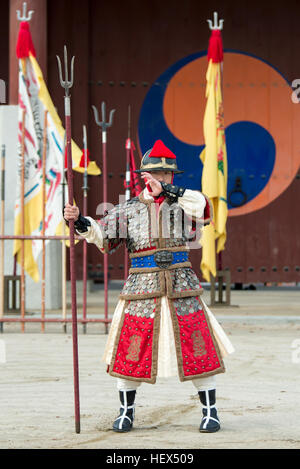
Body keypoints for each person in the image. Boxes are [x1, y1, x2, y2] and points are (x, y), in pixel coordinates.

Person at [64, 139, 234, 434]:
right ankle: (126, 412)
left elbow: (205, 207)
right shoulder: (128, 209)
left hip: (182, 285)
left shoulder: (184, 202)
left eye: (168, 175)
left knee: (199, 348)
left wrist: (170, 191)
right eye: (158, 174)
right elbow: (104, 238)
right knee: (131, 350)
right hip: (141, 287)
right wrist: (81, 221)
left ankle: (210, 412)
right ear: (145, 176)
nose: (164, 179)